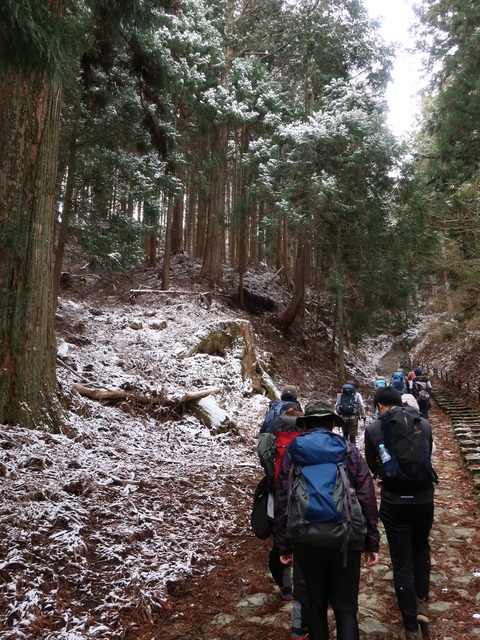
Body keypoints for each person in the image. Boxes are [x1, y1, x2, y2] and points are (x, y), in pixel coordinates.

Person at [274, 401, 380, 640]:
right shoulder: (347, 449)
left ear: (305, 425)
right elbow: (366, 493)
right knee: (346, 610)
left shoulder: (294, 450)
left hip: (306, 538)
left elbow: (282, 497)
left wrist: (283, 543)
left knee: (315, 606)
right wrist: (371, 541)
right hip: (346, 538)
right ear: (333, 423)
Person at [365, 386, 435, 640]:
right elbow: (427, 453)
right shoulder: (424, 424)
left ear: (381, 405)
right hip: (424, 499)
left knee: (402, 561)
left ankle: (410, 626)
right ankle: (422, 604)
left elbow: (372, 464)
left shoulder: (374, 429)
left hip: (395, 502)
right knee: (421, 547)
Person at [257, 386, 307, 638]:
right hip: (303, 497)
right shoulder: (305, 428)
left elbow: (264, 456)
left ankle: (286, 588)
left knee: (281, 544)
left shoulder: (271, 425)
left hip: (278, 495)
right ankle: (301, 618)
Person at [335, 380, 366, 445]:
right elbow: (361, 406)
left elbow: (336, 406)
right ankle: (353, 451)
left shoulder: (340, 395)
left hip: (343, 418)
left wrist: (337, 416)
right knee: (352, 436)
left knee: (345, 435)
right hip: (353, 418)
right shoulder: (357, 395)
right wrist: (363, 416)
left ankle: (345, 450)